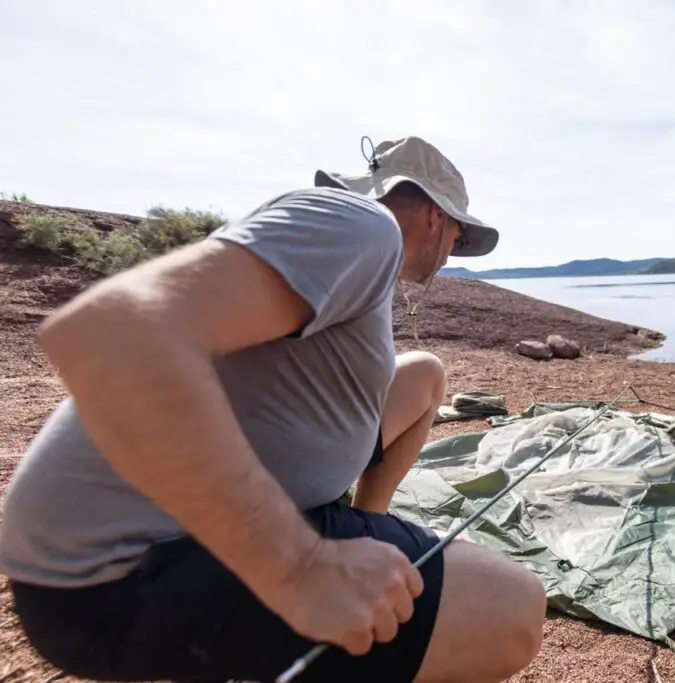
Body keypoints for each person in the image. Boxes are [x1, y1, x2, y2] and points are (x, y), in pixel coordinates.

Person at [0, 136, 548, 682]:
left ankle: (368, 527)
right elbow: (114, 334)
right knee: (513, 611)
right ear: (433, 214)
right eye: (458, 233)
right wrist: (300, 567)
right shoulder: (362, 225)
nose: (453, 250)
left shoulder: (356, 247)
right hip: (113, 576)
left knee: (424, 373)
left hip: (144, 542)